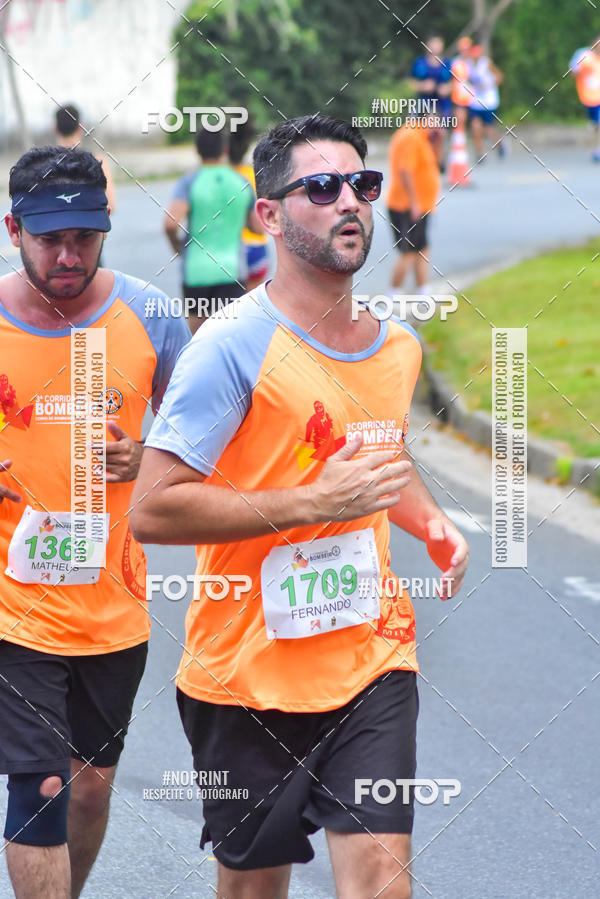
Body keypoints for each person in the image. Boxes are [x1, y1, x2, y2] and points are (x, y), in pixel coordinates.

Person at [130, 114, 469, 899]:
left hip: (370, 658)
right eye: (321, 186)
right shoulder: (231, 347)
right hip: (245, 674)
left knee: (384, 882)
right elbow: (153, 508)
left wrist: (432, 523)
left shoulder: (397, 347)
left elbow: (384, 457)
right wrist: (308, 502)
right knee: (254, 887)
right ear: (270, 215)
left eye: (363, 183)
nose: (349, 200)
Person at [0, 146, 189, 897]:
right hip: (14, 607)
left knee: (88, 786)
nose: (69, 254)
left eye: (85, 236)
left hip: (113, 607)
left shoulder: (152, 315)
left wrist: (151, 456)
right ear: (15, 228)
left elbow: (205, 442)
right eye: (51, 238)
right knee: (39, 787)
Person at [164, 126, 263, 334]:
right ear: (224, 149)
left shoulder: (190, 182)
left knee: (199, 340)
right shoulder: (241, 182)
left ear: (197, 151)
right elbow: (258, 228)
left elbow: (171, 223)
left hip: (196, 272)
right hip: (233, 271)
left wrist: (178, 248)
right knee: (231, 339)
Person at [386, 112, 441, 295]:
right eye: (434, 120)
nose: (437, 124)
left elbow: (436, 165)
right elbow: (405, 170)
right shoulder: (411, 135)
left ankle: (423, 290)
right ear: (423, 118)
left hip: (422, 205)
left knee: (422, 248)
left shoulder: (422, 136)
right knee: (409, 251)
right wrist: (415, 202)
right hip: (407, 206)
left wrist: (439, 140)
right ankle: (394, 292)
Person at [228, 118, 271, 289]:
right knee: (249, 308)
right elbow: (260, 226)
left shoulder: (220, 178)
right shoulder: (254, 175)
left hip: (229, 251)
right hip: (256, 248)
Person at [54, 104, 117, 211]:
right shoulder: (97, 162)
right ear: (80, 128)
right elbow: (110, 206)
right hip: (87, 224)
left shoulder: (44, 163)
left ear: (56, 129)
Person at [410, 35, 453, 165]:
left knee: (441, 132)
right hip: (425, 102)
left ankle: (439, 160)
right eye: (433, 44)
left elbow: (454, 83)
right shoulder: (420, 63)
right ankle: (426, 159)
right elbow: (411, 82)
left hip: (443, 103)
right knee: (426, 130)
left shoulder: (447, 63)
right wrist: (423, 86)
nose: (436, 47)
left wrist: (447, 88)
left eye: (438, 44)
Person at [468, 45, 505, 159]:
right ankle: (480, 153)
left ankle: (500, 145)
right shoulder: (468, 65)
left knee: (489, 129)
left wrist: (488, 85)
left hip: (489, 102)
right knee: (475, 126)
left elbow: (500, 77)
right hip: (475, 101)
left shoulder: (486, 64)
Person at [569, 40, 600, 161]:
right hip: (588, 97)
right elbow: (573, 71)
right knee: (594, 125)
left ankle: (598, 150)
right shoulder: (583, 55)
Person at [450, 36, 474, 131]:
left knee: (476, 124)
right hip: (459, 97)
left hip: (474, 98)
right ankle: (459, 145)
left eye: (467, 49)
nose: (465, 51)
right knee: (459, 122)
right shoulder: (454, 62)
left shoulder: (473, 62)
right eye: (463, 49)